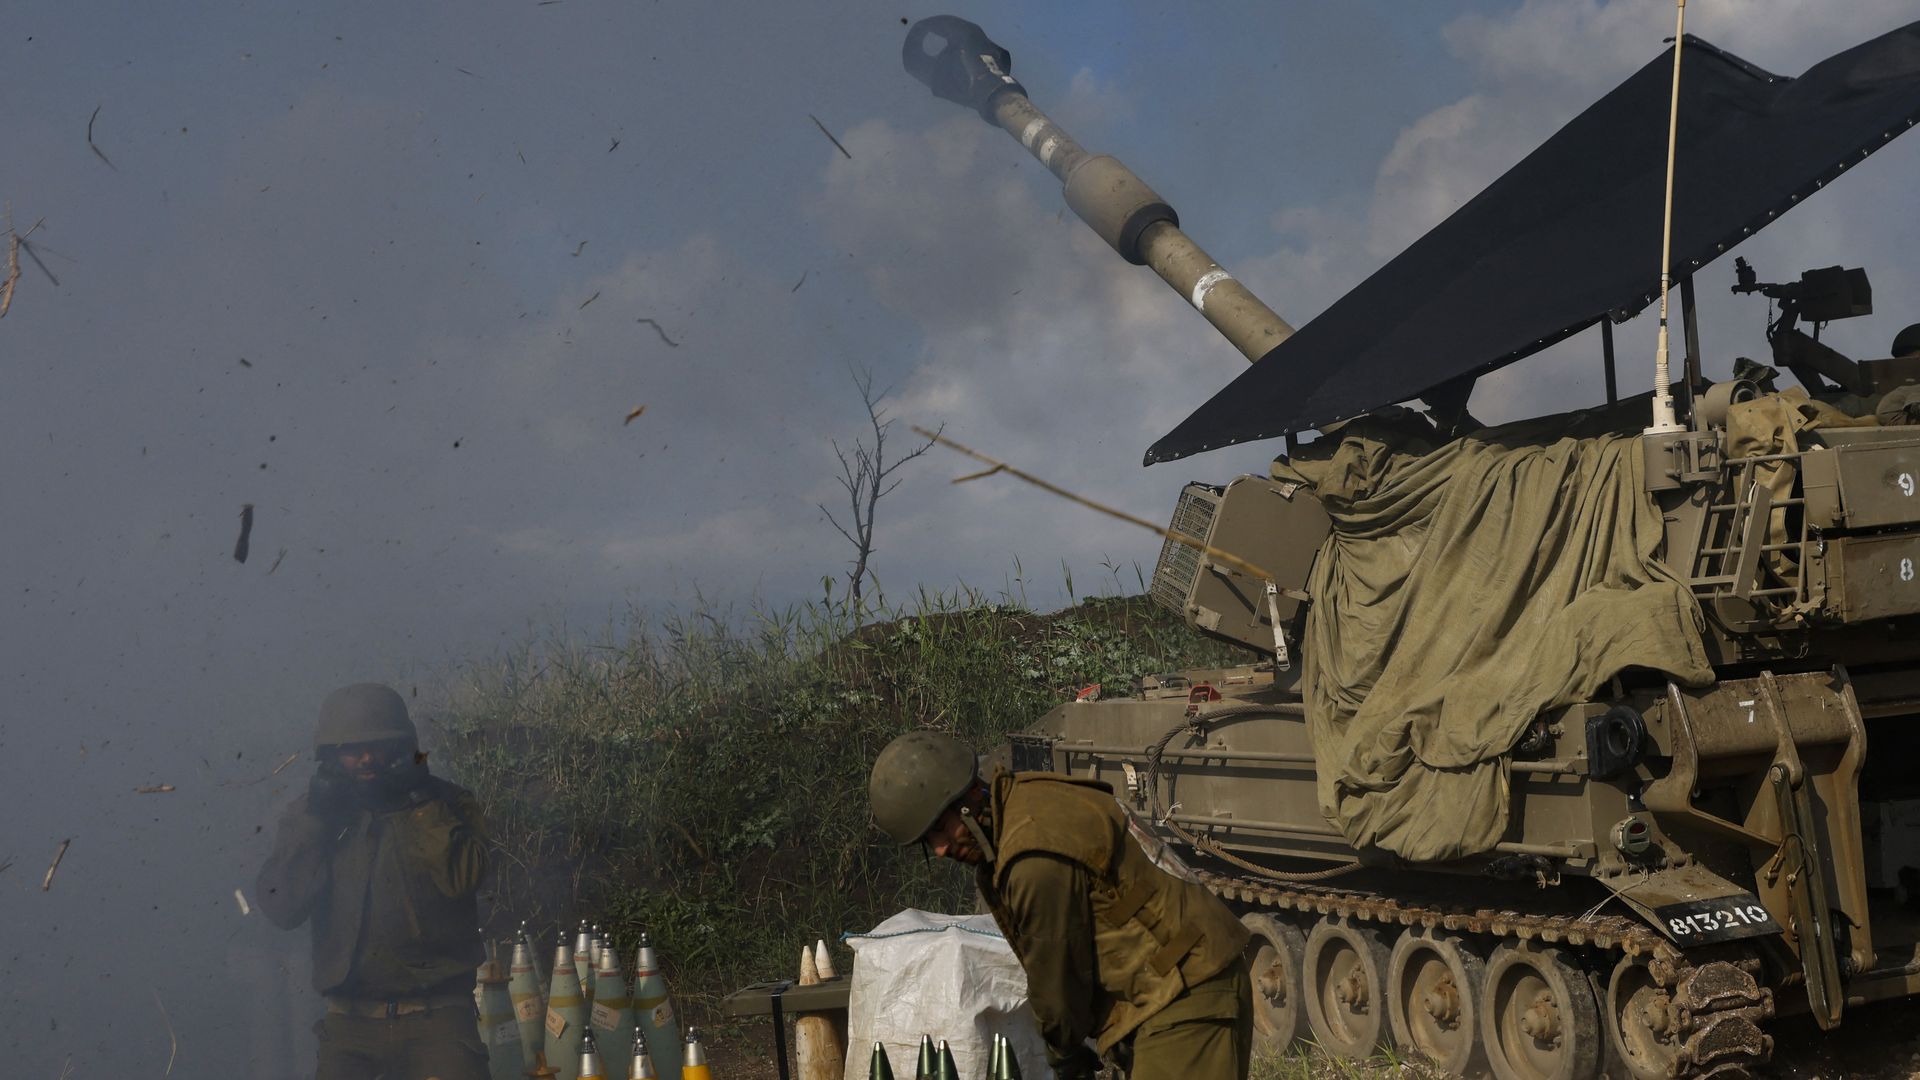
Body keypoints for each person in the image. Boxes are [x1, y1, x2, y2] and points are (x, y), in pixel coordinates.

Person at [869, 730, 1253, 1080]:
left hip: (1184, 996)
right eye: (927, 842)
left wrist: (1062, 1053)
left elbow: (1056, 977)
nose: (939, 850)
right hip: (1180, 988)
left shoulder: (1031, 855)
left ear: (967, 798)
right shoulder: (1029, 799)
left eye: (939, 827)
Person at [257, 683, 491, 1080]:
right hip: (349, 1028)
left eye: (378, 746)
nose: (366, 759)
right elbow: (282, 907)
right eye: (352, 749)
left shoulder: (447, 804)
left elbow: (462, 878)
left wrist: (420, 801)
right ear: (330, 757)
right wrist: (316, 819)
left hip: (438, 1022)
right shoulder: (314, 815)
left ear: (402, 748)